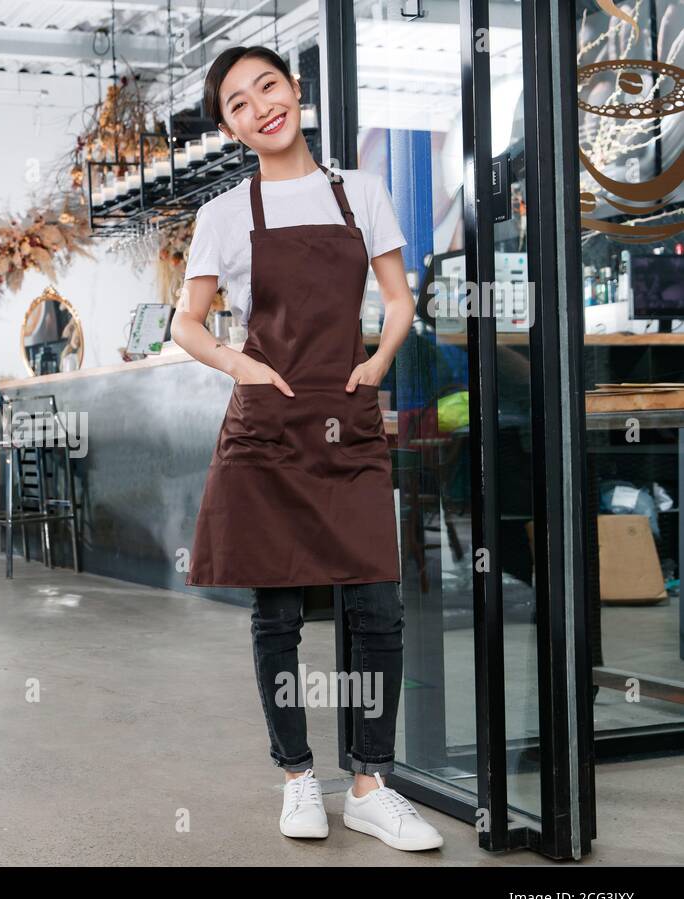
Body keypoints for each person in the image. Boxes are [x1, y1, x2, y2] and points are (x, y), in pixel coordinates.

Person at [169, 45, 443, 851]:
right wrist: (239, 362)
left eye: (268, 87)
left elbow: (398, 297)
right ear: (231, 128)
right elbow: (185, 322)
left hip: (350, 414)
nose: (261, 107)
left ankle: (370, 784)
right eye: (239, 104)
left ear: (294, 91)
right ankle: (297, 779)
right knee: (278, 611)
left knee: (378, 608)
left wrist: (379, 362)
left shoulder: (360, 192)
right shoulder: (224, 212)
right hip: (268, 424)